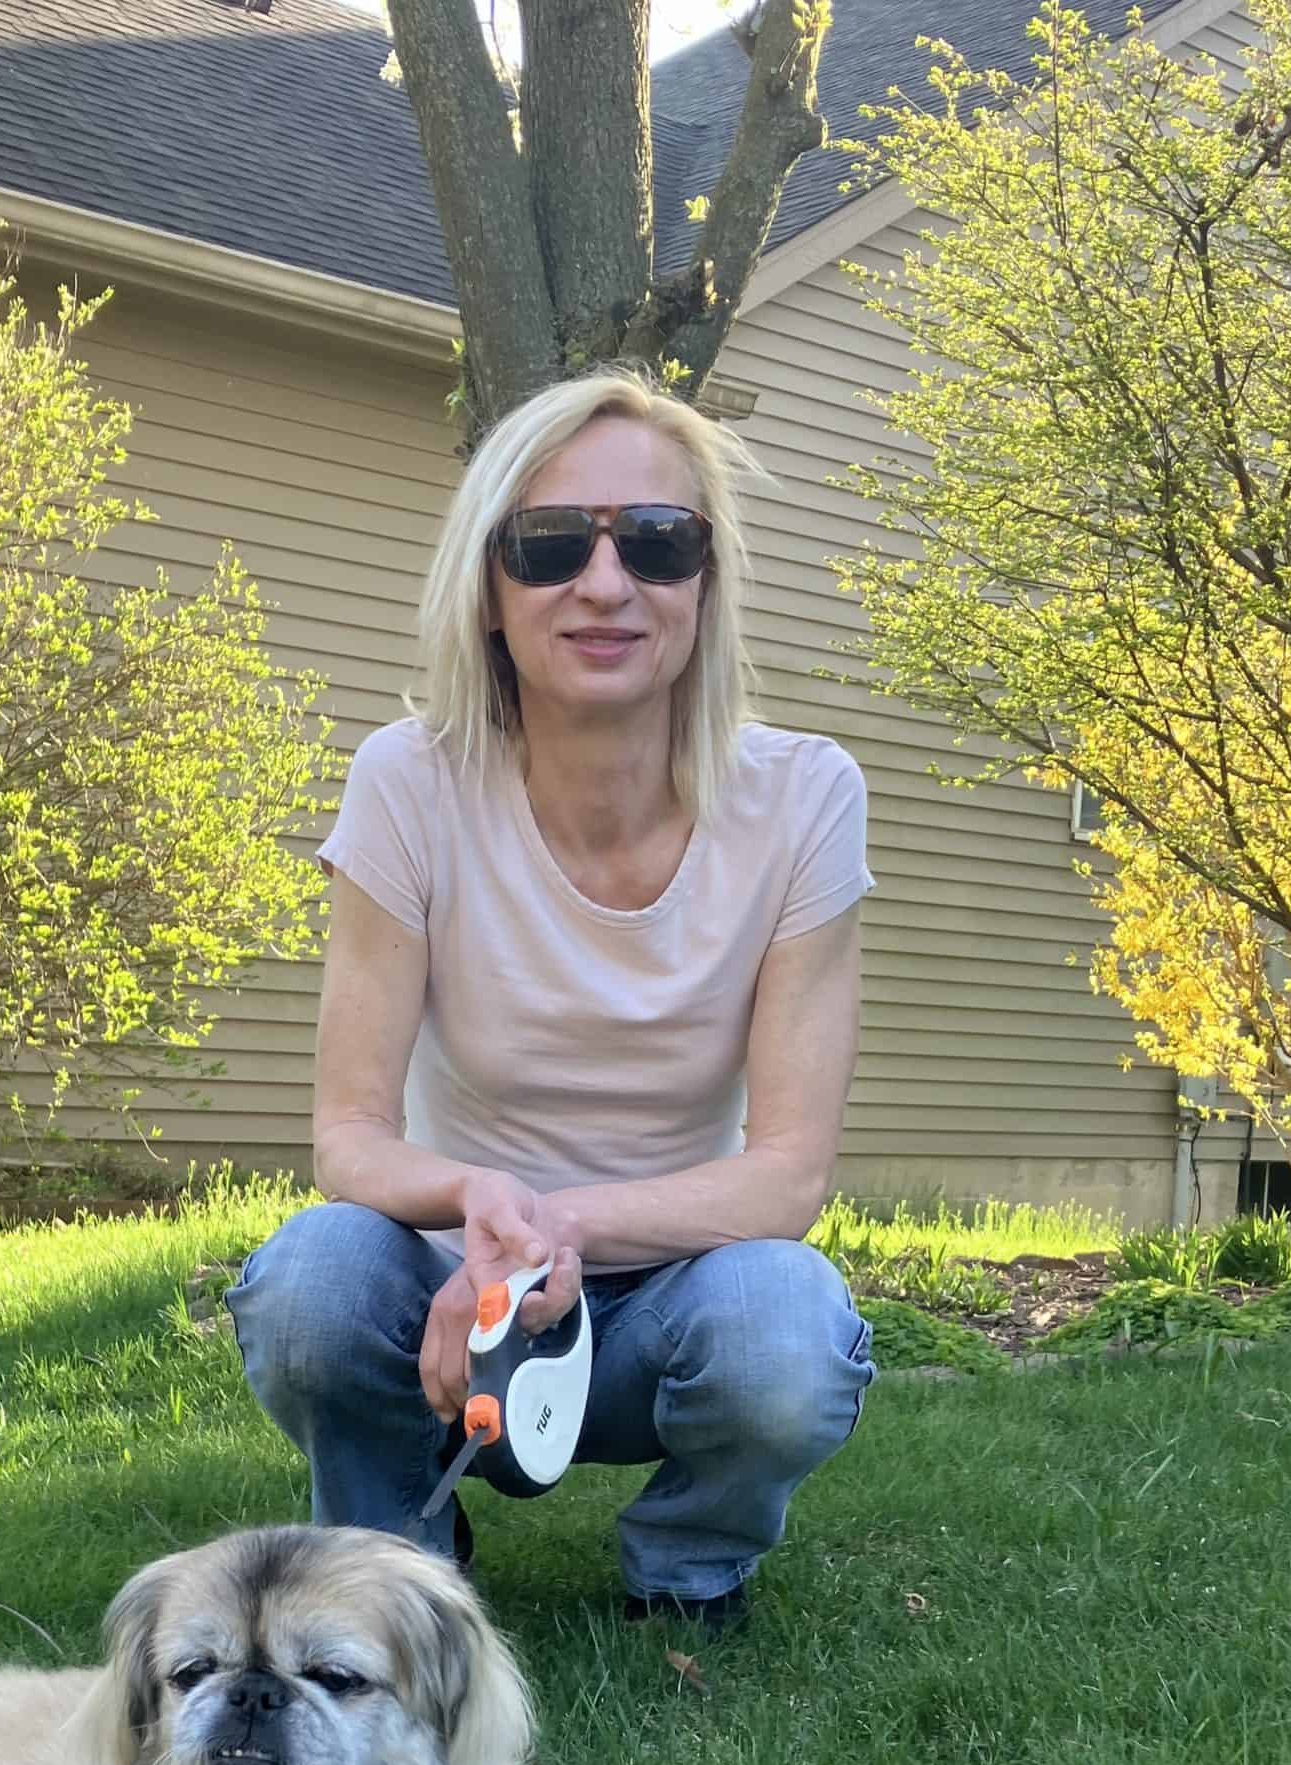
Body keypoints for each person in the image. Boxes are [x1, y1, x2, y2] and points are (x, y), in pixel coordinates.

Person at [226, 364, 876, 1631]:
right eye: (547, 543)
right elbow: (347, 1134)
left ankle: (688, 1572)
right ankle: (394, 1566)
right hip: (445, 1296)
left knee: (787, 1331)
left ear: (706, 584)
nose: (604, 581)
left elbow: (788, 1175)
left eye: (658, 540)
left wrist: (550, 1236)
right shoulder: (409, 783)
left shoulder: (805, 799)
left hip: (672, 1292)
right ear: (487, 588)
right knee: (309, 1284)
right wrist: (478, 1214)